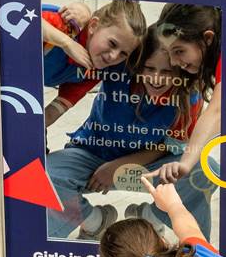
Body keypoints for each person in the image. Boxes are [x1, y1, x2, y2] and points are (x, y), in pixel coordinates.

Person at [46, 27, 208, 241]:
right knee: (44, 173)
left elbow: (172, 146)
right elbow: (98, 31)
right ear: (136, 65)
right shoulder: (116, 66)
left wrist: (116, 167)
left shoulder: (188, 95)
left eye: (167, 72)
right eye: (149, 68)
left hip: (146, 167)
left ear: (179, 70)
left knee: (203, 172)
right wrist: (80, 15)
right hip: (92, 156)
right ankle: (94, 222)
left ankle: (151, 218)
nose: (157, 79)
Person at [41, 0, 147, 127]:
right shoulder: (67, 24)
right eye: (112, 43)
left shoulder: (98, 69)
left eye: (123, 54)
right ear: (93, 26)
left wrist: (34, 127)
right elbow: (21, 16)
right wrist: (66, 43)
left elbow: (59, 106)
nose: (113, 56)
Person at [151, 4, 221, 185]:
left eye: (179, 51)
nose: (174, 62)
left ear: (207, 39)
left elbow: (218, 111)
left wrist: (186, 163)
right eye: (170, 54)